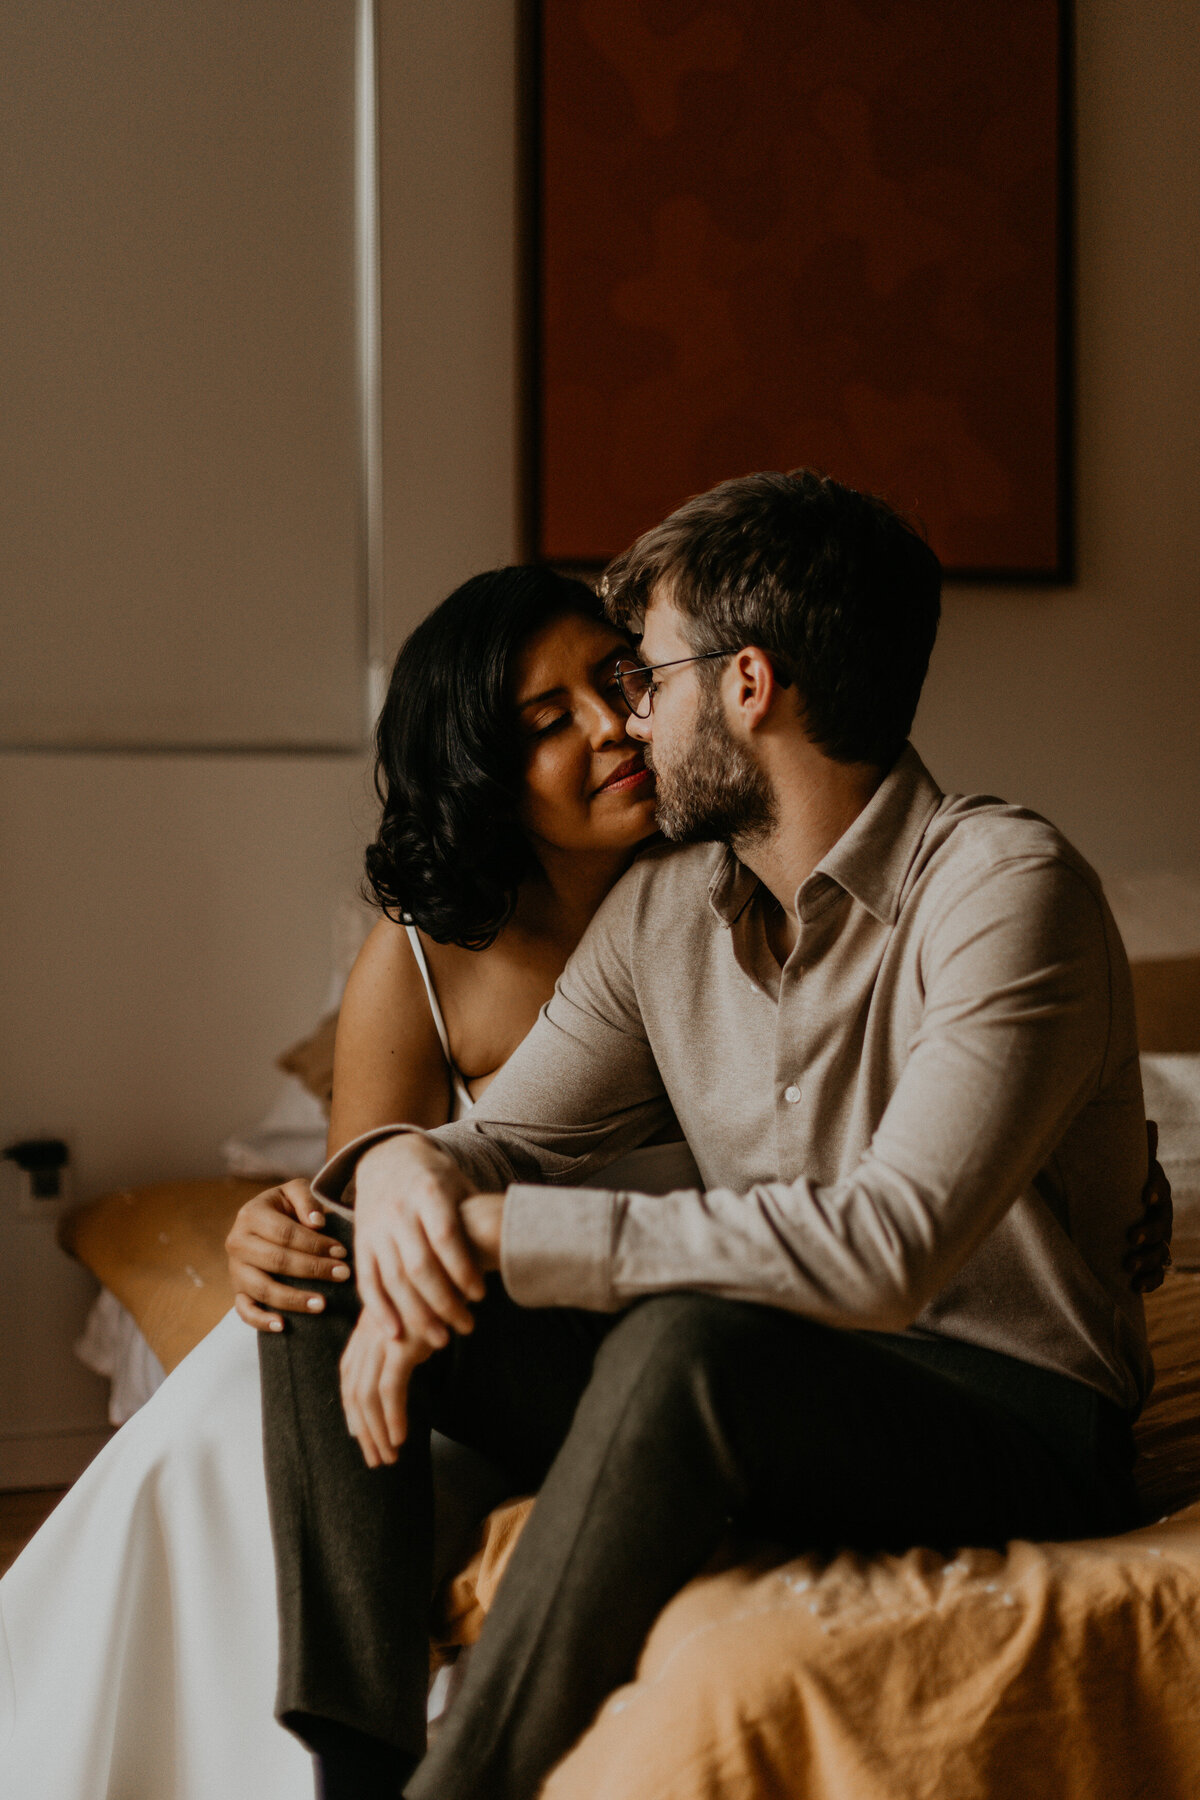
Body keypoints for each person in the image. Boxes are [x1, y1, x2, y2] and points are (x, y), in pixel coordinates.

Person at [259, 470, 1173, 1800]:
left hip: (1004, 1416)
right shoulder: (671, 908)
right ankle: (357, 1772)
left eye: (650, 675)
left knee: (687, 1335)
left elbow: (887, 1252)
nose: (636, 714)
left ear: (747, 686)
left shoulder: (1004, 886)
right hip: (766, 1392)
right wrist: (404, 1174)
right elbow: (503, 1138)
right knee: (339, 1266)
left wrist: (504, 1229)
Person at [0, 565, 704, 1800]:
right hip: (439, 1325)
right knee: (220, 1440)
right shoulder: (423, 959)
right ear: (486, 769)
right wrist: (281, 1226)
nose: (606, 729)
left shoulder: (731, 888)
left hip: (625, 1327)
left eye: (618, 680)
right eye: (547, 722)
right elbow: (369, 1182)